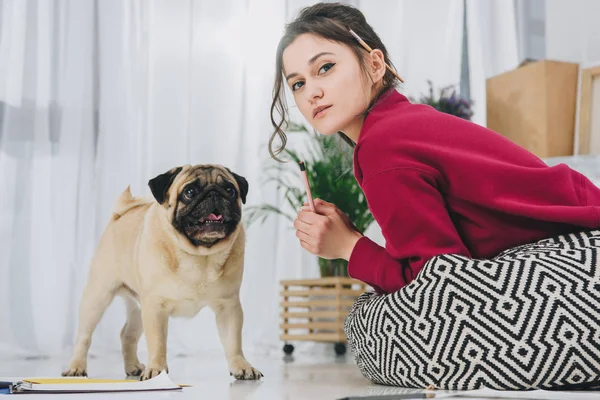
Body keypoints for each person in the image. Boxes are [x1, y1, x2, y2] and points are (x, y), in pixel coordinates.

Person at [268, 2, 600, 391]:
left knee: (367, 325)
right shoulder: (400, 123)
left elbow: (441, 286)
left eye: (325, 67)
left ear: (375, 65)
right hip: (578, 253)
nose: (312, 92)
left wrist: (350, 248)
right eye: (298, 84)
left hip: (580, 270)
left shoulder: (382, 146)